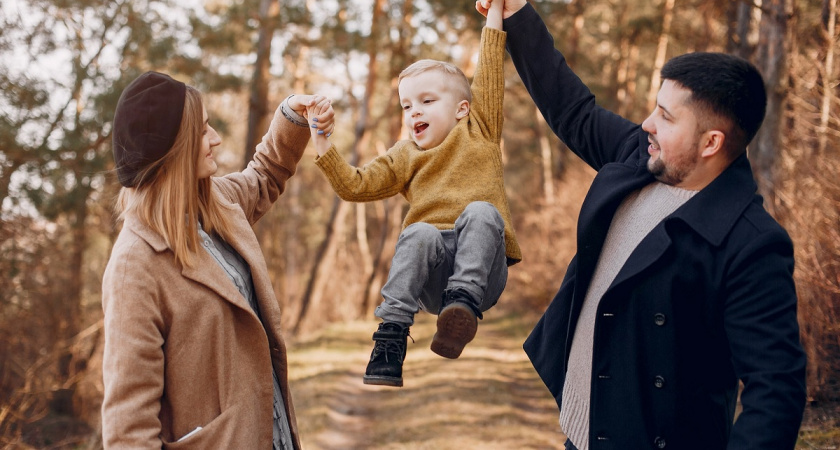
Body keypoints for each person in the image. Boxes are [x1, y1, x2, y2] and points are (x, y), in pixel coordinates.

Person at [475, 0, 807, 448]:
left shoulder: (751, 244)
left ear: (711, 142)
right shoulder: (643, 158)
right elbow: (572, 110)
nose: (648, 123)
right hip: (582, 431)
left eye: (666, 117)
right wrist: (516, 14)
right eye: (656, 108)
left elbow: (775, 393)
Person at [101, 70, 334, 449]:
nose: (216, 139)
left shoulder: (216, 203)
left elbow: (265, 175)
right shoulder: (134, 266)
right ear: (173, 147)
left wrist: (293, 114)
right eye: (203, 130)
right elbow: (129, 428)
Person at [306, 0, 518, 388]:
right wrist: (321, 141)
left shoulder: (481, 128)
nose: (413, 112)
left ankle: (462, 309)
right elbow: (354, 185)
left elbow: (489, 66)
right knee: (419, 232)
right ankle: (390, 338)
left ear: (462, 109)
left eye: (426, 101)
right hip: (433, 278)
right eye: (407, 105)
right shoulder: (405, 155)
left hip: (483, 271)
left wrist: (495, 11)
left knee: (482, 212)